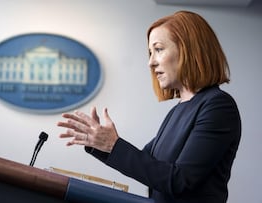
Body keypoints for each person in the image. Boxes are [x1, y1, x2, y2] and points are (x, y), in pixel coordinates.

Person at [57, 10, 241, 203]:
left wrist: (112, 145)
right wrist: (98, 141)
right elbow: (147, 162)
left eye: (159, 49)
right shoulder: (179, 109)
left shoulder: (218, 106)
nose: (150, 62)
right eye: (150, 53)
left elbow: (179, 180)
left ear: (189, 49)